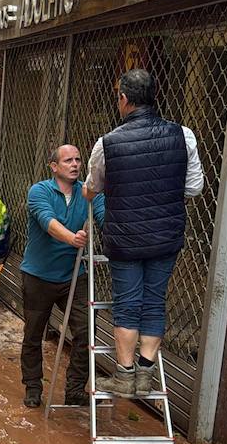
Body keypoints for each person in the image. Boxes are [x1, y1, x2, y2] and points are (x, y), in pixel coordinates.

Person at [85, 69, 204, 397]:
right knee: (155, 300)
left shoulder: (107, 143)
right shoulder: (185, 135)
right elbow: (194, 187)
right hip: (166, 234)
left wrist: (94, 192)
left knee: (127, 303)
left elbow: (93, 186)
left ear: (123, 99)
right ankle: (146, 374)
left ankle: (124, 376)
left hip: (125, 237)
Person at [20, 144, 106, 408]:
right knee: (34, 333)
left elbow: (105, 219)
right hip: (38, 275)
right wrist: (73, 238)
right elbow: (48, 222)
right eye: (68, 160)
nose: (75, 164)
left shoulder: (90, 193)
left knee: (87, 331)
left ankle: (75, 389)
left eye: (78, 160)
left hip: (74, 276)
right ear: (54, 167)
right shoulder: (40, 191)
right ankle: (33, 387)